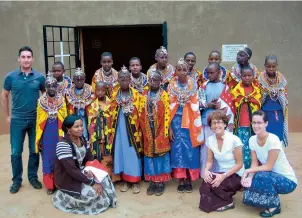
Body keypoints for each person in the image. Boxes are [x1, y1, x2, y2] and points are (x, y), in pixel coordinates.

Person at [2, 46, 46, 193]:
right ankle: (17, 181)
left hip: (35, 119)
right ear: (19, 59)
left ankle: (33, 178)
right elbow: (4, 96)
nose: (26, 60)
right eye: (23, 57)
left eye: (28, 57)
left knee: (34, 150)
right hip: (18, 119)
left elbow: (46, 96)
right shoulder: (11, 77)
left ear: (32, 59)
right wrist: (7, 116)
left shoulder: (39, 77)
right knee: (16, 152)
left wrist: (44, 116)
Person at [53, 115, 117, 215]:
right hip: (68, 178)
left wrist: (93, 172)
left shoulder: (82, 139)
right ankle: (63, 196)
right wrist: (92, 183)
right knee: (92, 193)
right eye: (76, 126)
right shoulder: (63, 145)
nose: (81, 129)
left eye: (81, 125)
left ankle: (105, 198)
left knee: (104, 178)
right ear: (68, 129)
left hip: (80, 171)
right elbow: (71, 170)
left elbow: (89, 158)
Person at [241, 110, 297, 217]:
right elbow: (254, 164)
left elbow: (268, 166)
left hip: (287, 181)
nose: (256, 126)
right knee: (254, 179)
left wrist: (247, 171)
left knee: (262, 175)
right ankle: (266, 200)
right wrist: (250, 177)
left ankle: (275, 206)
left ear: (266, 123)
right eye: (254, 123)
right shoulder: (252, 140)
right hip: (271, 175)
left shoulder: (273, 140)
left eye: (259, 123)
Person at [106, 66, 143, 194]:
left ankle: (135, 182)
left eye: (127, 79)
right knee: (121, 152)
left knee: (133, 153)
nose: (124, 81)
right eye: (121, 79)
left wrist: (132, 112)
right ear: (118, 80)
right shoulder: (115, 95)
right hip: (119, 128)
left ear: (130, 80)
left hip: (133, 130)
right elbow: (110, 111)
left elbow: (141, 111)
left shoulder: (136, 95)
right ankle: (126, 181)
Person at [199, 110, 244, 213]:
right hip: (220, 173)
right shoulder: (210, 140)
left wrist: (223, 175)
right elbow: (210, 161)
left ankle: (229, 202)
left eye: (219, 122)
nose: (216, 125)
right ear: (210, 126)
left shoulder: (234, 140)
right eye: (213, 123)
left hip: (235, 174)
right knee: (205, 185)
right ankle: (220, 199)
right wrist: (206, 170)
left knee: (216, 185)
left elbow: (239, 164)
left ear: (225, 124)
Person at [168, 58, 202, 193]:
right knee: (177, 150)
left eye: (184, 70)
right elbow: (169, 107)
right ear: (175, 71)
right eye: (179, 69)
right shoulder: (171, 85)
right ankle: (180, 178)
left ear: (188, 70)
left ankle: (189, 178)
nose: (182, 72)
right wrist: (170, 127)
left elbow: (196, 103)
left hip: (190, 122)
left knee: (191, 149)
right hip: (175, 122)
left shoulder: (193, 84)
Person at [199, 62, 235, 178]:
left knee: (220, 148)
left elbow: (230, 107)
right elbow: (197, 103)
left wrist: (221, 106)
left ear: (219, 73)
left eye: (212, 72)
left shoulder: (225, 87)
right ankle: (206, 175)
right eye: (208, 73)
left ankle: (220, 174)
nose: (209, 75)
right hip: (206, 123)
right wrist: (208, 105)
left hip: (220, 125)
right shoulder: (203, 86)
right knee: (207, 149)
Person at [139, 69, 171, 196]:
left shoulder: (164, 95)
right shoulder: (144, 95)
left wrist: (163, 129)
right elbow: (140, 111)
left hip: (161, 129)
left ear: (161, 81)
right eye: (151, 80)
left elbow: (167, 113)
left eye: (156, 80)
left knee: (160, 156)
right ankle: (152, 181)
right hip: (147, 129)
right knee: (149, 156)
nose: (153, 82)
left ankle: (160, 182)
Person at [35, 73, 68, 194]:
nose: (51, 88)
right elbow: (39, 120)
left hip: (58, 132)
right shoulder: (41, 101)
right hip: (47, 133)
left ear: (57, 87)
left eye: (54, 86)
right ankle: (50, 185)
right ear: (45, 87)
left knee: (60, 155)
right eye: (48, 86)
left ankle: (60, 183)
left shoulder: (61, 100)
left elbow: (64, 117)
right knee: (48, 157)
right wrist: (40, 138)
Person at [87, 81, 120, 181]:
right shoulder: (93, 105)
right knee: (97, 155)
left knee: (108, 155)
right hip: (97, 135)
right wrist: (96, 117)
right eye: (98, 90)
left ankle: (110, 177)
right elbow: (90, 120)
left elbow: (114, 118)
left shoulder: (111, 104)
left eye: (102, 90)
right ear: (95, 91)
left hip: (108, 134)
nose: (100, 93)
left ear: (106, 91)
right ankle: (99, 178)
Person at [232, 66, 262, 169]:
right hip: (240, 124)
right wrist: (243, 100)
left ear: (253, 76)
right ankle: (241, 171)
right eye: (245, 76)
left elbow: (258, 103)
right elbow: (234, 102)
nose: (247, 78)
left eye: (250, 75)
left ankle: (251, 170)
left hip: (253, 126)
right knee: (241, 147)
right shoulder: (236, 89)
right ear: (240, 76)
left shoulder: (256, 90)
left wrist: (250, 100)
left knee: (251, 148)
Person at [258, 55, 288, 147]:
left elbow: (284, 96)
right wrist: (267, 93)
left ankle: (277, 155)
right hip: (265, 112)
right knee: (266, 135)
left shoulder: (281, 79)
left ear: (277, 66)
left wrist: (278, 92)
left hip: (278, 113)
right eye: (268, 66)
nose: (271, 68)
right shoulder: (259, 79)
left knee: (278, 136)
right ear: (264, 66)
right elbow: (258, 96)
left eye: (273, 66)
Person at [66, 68, 94, 141]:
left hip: (85, 116)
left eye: (81, 80)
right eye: (77, 80)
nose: (79, 82)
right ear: (73, 80)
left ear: (85, 79)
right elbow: (69, 104)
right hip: (75, 115)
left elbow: (92, 102)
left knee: (85, 131)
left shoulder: (90, 89)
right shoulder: (69, 91)